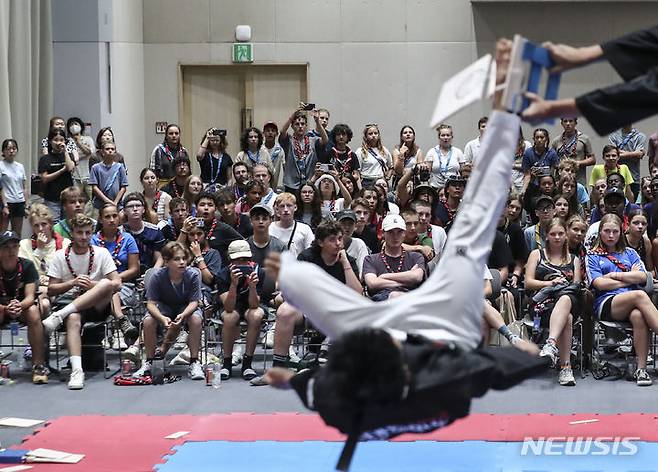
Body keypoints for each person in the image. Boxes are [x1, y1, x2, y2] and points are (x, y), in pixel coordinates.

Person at [260, 46, 546, 464]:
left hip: (389, 360)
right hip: (438, 359)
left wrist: (290, 381)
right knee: (478, 217)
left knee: (321, 300)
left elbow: (315, 384)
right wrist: (529, 360)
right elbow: (497, 367)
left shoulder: (340, 396)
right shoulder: (445, 378)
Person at [42, 214, 122, 389]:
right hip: (70, 302)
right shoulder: (59, 255)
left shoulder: (101, 253)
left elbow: (117, 284)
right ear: (72, 233)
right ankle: (77, 371)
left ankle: (58, 316)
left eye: (87, 233)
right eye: (79, 233)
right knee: (73, 318)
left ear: (92, 232)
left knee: (107, 283)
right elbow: (51, 289)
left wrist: (91, 284)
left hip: (97, 304)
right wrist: (73, 282)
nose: (84, 237)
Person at [586, 213, 658, 386]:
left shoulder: (630, 253)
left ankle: (641, 370)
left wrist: (615, 275)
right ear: (600, 232)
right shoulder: (592, 255)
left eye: (615, 232)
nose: (611, 236)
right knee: (640, 295)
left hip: (633, 303)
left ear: (621, 232)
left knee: (638, 316)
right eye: (607, 231)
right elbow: (599, 284)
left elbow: (643, 276)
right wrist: (628, 277)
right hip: (607, 304)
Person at [134, 242, 205, 381]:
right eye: (177, 259)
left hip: (185, 307)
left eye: (184, 259)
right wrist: (161, 318)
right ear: (166, 261)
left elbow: (194, 302)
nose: (182, 262)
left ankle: (194, 361)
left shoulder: (193, 275)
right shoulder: (157, 276)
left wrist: (183, 315)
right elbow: (151, 304)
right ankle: (149, 362)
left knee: (196, 319)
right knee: (148, 321)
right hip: (164, 307)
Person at [525, 218, 581, 386]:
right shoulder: (536, 254)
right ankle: (565, 368)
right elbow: (528, 283)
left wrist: (563, 286)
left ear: (566, 236)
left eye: (560, 234)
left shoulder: (574, 259)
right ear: (546, 236)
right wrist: (550, 283)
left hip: (568, 299)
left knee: (566, 298)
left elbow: (576, 286)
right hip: (543, 304)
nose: (557, 237)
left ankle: (550, 344)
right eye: (553, 234)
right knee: (568, 319)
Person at [0, 231, 48, 384]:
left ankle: (38, 365)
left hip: (22, 308)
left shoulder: (27, 266)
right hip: (1, 309)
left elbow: (30, 297)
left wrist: (18, 305)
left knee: (34, 311)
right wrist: (5, 308)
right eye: (6, 247)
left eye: (15, 246)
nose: (11, 251)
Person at [90, 204, 140, 345]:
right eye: (107, 217)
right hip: (98, 284)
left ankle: (113, 331)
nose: (112, 220)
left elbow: (134, 269)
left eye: (114, 216)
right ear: (100, 220)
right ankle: (120, 325)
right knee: (109, 288)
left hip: (125, 285)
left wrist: (115, 279)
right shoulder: (93, 240)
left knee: (111, 288)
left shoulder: (128, 239)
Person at [217, 240, 266, 381]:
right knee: (229, 317)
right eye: (238, 260)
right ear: (230, 260)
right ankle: (226, 363)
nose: (242, 263)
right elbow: (228, 307)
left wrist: (252, 287)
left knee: (256, 315)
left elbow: (254, 305)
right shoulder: (222, 274)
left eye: (245, 260)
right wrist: (233, 284)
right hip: (232, 304)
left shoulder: (258, 272)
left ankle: (247, 363)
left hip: (251, 303)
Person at [363, 213, 426, 300]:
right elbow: (373, 283)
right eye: (390, 232)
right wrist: (408, 280)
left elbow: (416, 277)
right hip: (381, 303)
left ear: (404, 233)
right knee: (394, 295)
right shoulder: (370, 259)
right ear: (383, 233)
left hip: (410, 300)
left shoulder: (416, 257)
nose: (395, 236)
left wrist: (383, 277)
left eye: (399, 232)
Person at [19, 204, 69, 302]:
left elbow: (67, 272)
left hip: (58, 287)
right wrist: (39, 250)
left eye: (44, 224)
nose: (40, 229)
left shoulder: (65, 243)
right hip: (34, 289)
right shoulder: (24, 244)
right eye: (36, 225)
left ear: (50, 224)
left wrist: (50, 279)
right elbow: (25, 273)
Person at [279, 106, 329, 193]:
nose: (300, 126)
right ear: (292, 126)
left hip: (309, 182)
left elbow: (325, 140)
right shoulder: (289, 141)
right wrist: (292, 116)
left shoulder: (313, 140)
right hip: (291, 184)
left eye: (303, 124)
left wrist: (317, 121)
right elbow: (282, 132)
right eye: (297, 124)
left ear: (306, 126)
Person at [195, 191, 244, 264]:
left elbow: (243, 244)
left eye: (210, 205)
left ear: (215, 208)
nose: (206, 208)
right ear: (196, 208)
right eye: (202, 205)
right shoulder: (190, 226)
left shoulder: (223, 228)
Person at [122, 193, 166, 273]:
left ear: (144, 209)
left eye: (138, 206)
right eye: (130, 206)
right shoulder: (120, 232)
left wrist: (151, 275)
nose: (135, 209)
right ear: (124, 211)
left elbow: (160, 258)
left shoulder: (155, 231)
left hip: (149, 273)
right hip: (125, 274)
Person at [38, 129, 76, 221]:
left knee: (69, 224)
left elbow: (70, 167)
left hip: (68, 198)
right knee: (54, 224)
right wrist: (62, 171)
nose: (59, 143)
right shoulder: (45, 159)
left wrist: (65, 151)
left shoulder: (69, 155)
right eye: (56, 140)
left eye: (61, 140)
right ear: (50, 141)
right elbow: (45, 178)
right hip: (52, 198)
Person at [269, 193, 315, 257]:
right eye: (282, 206)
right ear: (277, 209)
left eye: (289, 206)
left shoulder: (305, 229)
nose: (285, 210)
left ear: (295, 207)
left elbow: (311, 252)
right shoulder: (269, 228)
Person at [89, 140, 128, 215]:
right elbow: (94, 187)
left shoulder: (120, 167)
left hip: (117, 204)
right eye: (107, 149)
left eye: (112, 149)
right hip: (100, 204)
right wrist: (107, 200)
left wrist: (115, 202)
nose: (110, 151)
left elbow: (123, 187)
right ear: (102, 152)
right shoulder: (96, 168)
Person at [609, 124, 647, 198]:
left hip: (634, 177)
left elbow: (639, 155)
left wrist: (620, 154)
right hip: (616, 177)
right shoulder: (613, 136)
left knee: (632, 205)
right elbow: (612, 154)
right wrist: (634, 153)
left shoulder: (640, 136)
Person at [0, 139, 28, 234]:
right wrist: (5, 206)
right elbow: (1, 188)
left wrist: (26, 205)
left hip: (19, 202)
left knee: (17, 233)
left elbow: (24, 187)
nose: (11, 151)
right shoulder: (1, 165)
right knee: (3, 234)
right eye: (8, 149)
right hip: (7, 202)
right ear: (3, 151)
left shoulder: (20, 166)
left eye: (14, 148)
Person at [424, 124, 464, 189]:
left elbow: (463, 173)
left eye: (448, 135)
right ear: (439, 137)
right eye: (443, 135)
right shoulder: (432, 152)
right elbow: (427, 173)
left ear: (452, 137)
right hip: (435, 188)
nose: (445, 138)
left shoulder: (458, 152)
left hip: (454, 188)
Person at [521, 128, 559, 195]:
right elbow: (527, 175)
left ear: (546, 139)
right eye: (537, 137)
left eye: (542, 137)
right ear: (534, 139)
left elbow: (555, 172)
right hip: (533, 185)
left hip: (548, 186)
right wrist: (523, 190)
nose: (539, 140)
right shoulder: (528, 153)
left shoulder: (552, 153)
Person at [67, 117, 95, 200]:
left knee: (92, 199)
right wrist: (84, 154)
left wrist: (79, 142)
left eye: (76, 124)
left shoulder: (88, 139)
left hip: (89, 175)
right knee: (76, 198)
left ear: (81, 126)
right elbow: (70, 157)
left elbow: (90, 153)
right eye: (71, 124)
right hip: (74, 176)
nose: (74, 126)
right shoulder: (67, 141)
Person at [336, 210, 369, 278]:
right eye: (343, 223)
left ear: (355, 226)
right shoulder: (329, 242)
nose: (347, 227)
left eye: (350, 223)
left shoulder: (359, 244)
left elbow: (362, 272)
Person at [262, 121, 285, 190]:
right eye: (267, 131)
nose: (270, 133)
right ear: (263, 133)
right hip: (260, 184)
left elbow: (284, 168)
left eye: (273, 131)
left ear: (277, 134)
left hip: (275, 186)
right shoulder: (259, 148)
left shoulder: (280, 150)